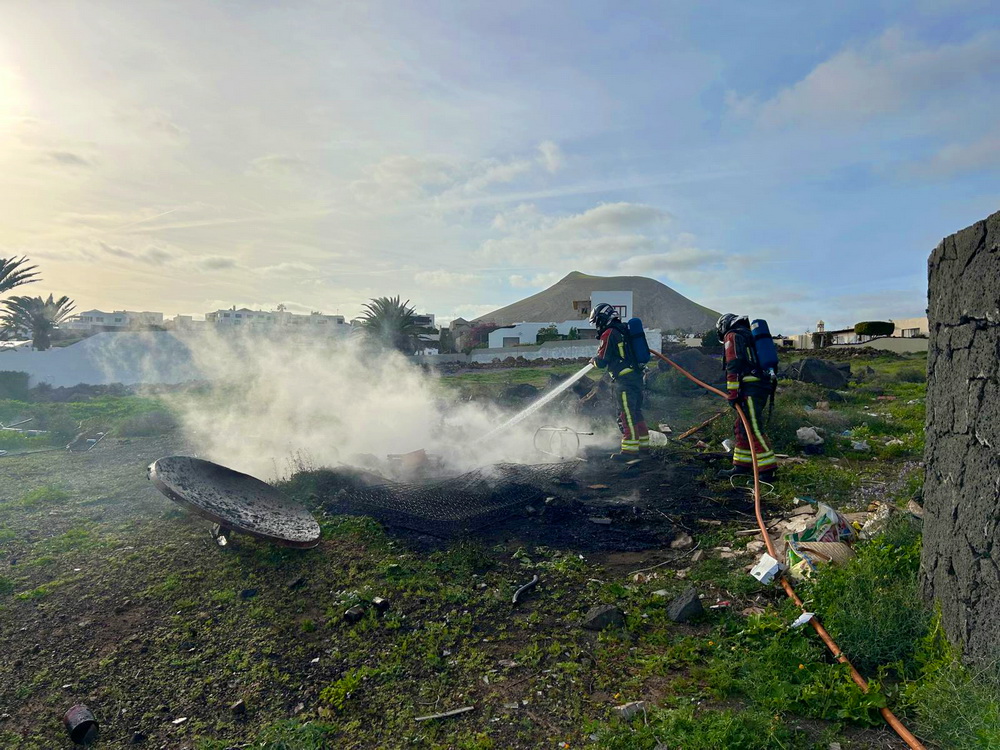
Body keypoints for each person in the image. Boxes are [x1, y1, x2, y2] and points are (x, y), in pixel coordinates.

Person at [715, 313, 776, 479]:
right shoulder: (748, 335)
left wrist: (732, 393)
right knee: (742, 428)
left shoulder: (732, 336)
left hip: (751, 388)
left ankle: (767, 470)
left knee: (753, 427)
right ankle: (742, 466)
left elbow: (734, 364)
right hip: (758, 386)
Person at [589, 303, 649, 459]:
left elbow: (602, 361)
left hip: (624, 381)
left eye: (596, 322)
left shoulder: (609, 333)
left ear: (602, 319)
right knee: (636, 412)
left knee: (626, 414)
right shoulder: (623, 330)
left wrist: (593, 361)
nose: (597, 326)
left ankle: (630, 451)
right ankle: (643, 446)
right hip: (636, 378)